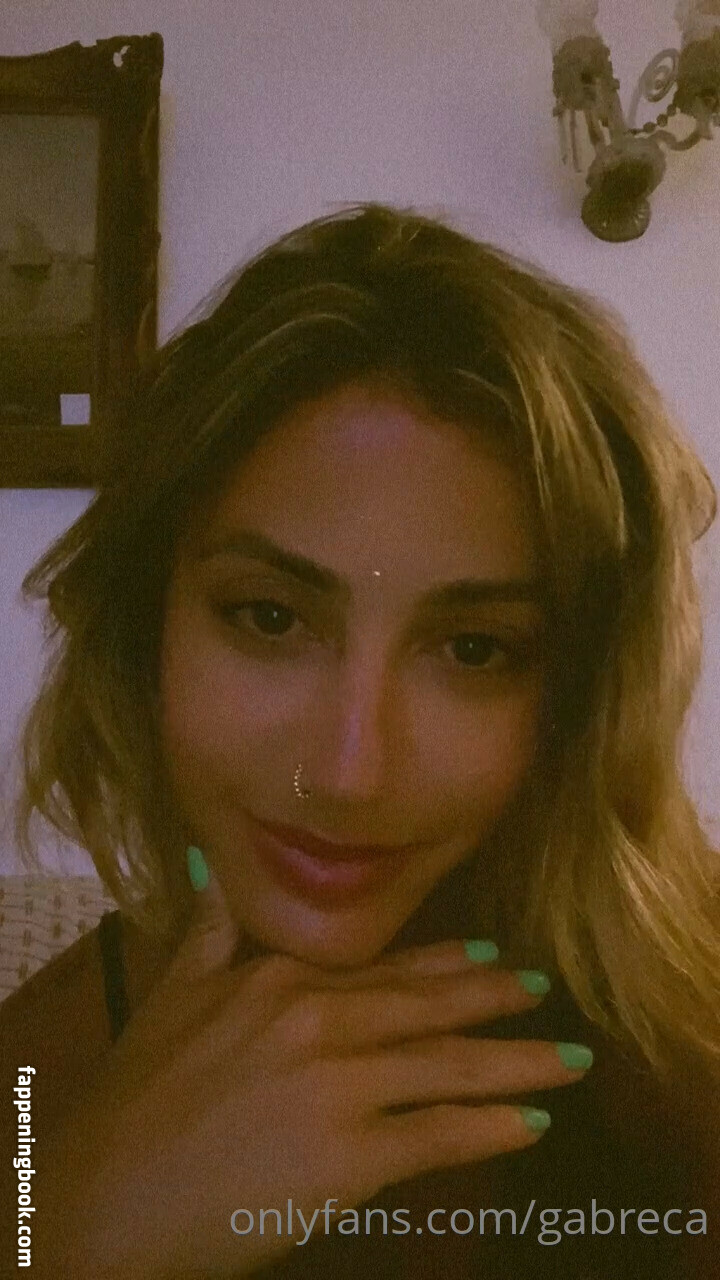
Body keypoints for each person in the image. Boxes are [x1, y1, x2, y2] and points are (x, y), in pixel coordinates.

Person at [1, 201, 719, 1280]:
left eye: (474, 648)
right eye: (269, 617)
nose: (348, 775)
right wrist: (59, 1238)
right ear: (144, 627)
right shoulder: (30, 1077)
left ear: (580, 690)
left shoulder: (694, 1024)